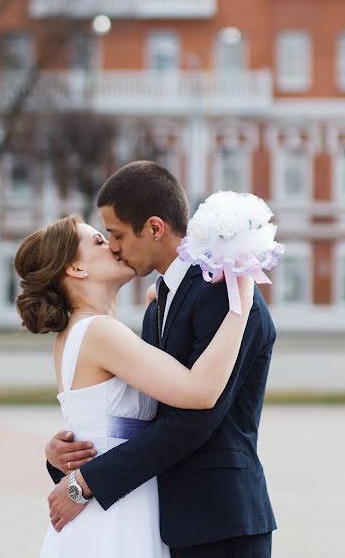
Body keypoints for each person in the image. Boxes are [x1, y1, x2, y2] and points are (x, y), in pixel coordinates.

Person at [44, 161, 277, 557]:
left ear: (154, 228)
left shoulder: (225, 289)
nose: (113, 245)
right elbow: (144, 416)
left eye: (115, 234)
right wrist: (65, 455)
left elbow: (195, 418)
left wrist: (86, 482)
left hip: (221, 516)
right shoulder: (158, 304)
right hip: (167, 517)